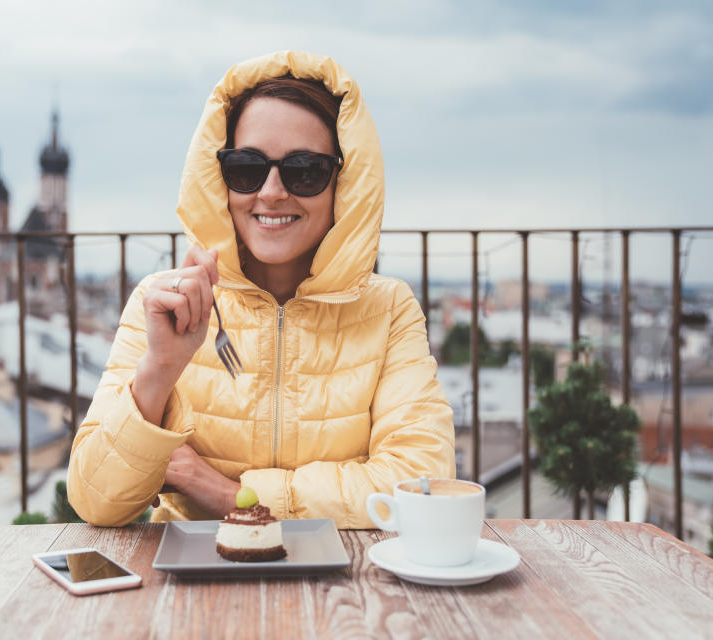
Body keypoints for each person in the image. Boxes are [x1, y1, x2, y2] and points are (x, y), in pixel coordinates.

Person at [67, 51, 455, 529]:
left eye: (305, 170)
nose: (271, 191)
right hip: (195, 589)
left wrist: (227, 493)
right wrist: (160, 369)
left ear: (345, 183)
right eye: (246, 168)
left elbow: (421, 484)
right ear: (219, 179)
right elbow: (95, 502)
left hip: (346, 590)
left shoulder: (387, 308)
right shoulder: (162, 303)